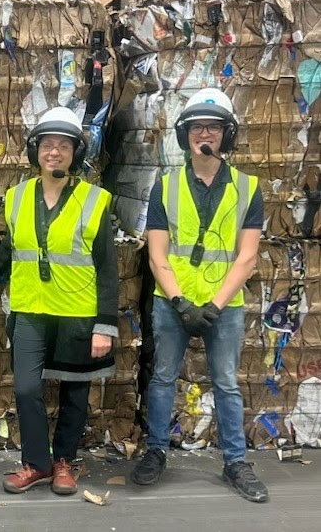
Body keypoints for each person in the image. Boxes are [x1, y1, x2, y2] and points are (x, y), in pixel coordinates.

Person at [0, 107, 118, 495]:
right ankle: (37, 464)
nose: (55, 152)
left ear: (75, 152)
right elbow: (9, 253)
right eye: (48, 145)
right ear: (36, 151)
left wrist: (105, 325)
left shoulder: (96, 200)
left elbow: (108, 269)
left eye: (64, 145)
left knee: (74, 392)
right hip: (30, 311)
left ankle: (63, 462)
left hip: (78, 315)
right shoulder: (17, 197)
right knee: (27, 388)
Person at [131, 88, 268, 503]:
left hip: (222, 307)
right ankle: (156, 450)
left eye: (211, 126)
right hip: (173, 303)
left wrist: (212, 305)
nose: (202, 133)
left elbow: (246, 258)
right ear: (184, 134)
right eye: (195, 126)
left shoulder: (248, 188)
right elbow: (157, 255)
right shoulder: (166, 187)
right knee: (163, 378)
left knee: (226, 383)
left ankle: (235, 462)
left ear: (226, 134)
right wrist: (179, 302)